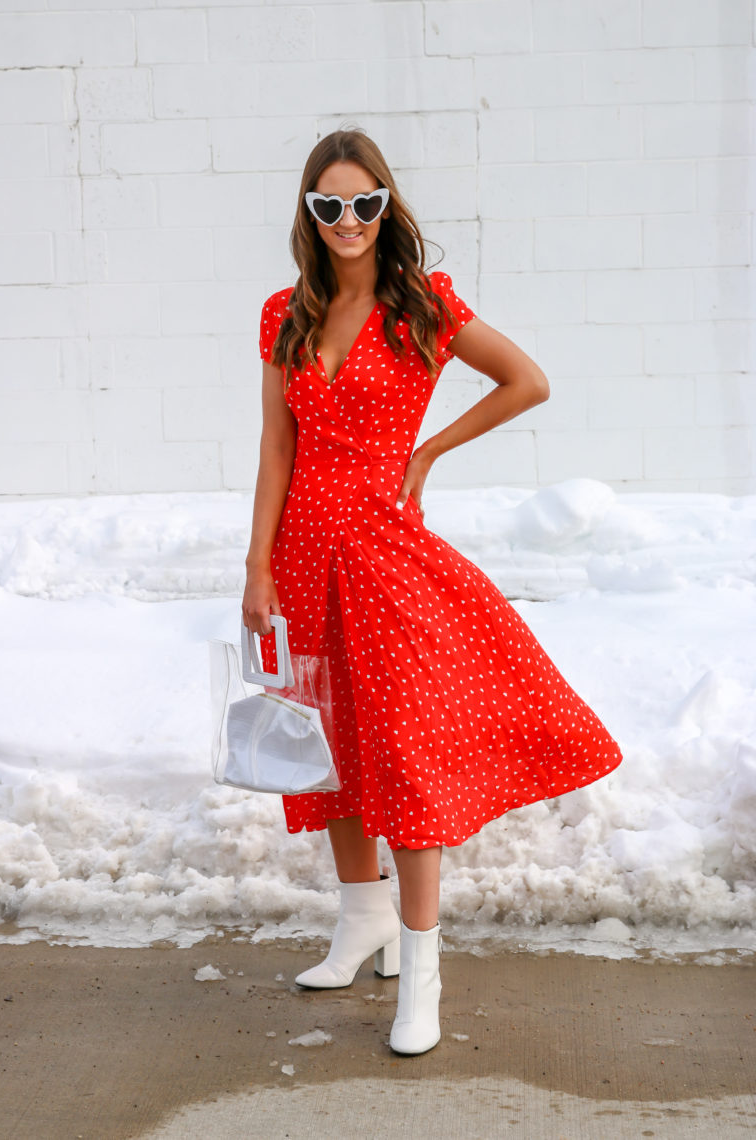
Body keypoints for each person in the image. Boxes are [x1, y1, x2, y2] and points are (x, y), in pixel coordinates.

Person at [243, 129, 622, 1056]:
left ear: (386, 206)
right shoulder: (283, 315)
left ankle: (423, 974)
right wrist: (256, 567)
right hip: (301, 557)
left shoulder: (421, 306)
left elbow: (526, 381)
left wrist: (430, 449)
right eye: (329, 206)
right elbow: (276, 449)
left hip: (385, 555)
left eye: (364, 204)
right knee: (325, 750)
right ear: (309, 212)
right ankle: (359, 919)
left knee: (404, 760)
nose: (348, 222)